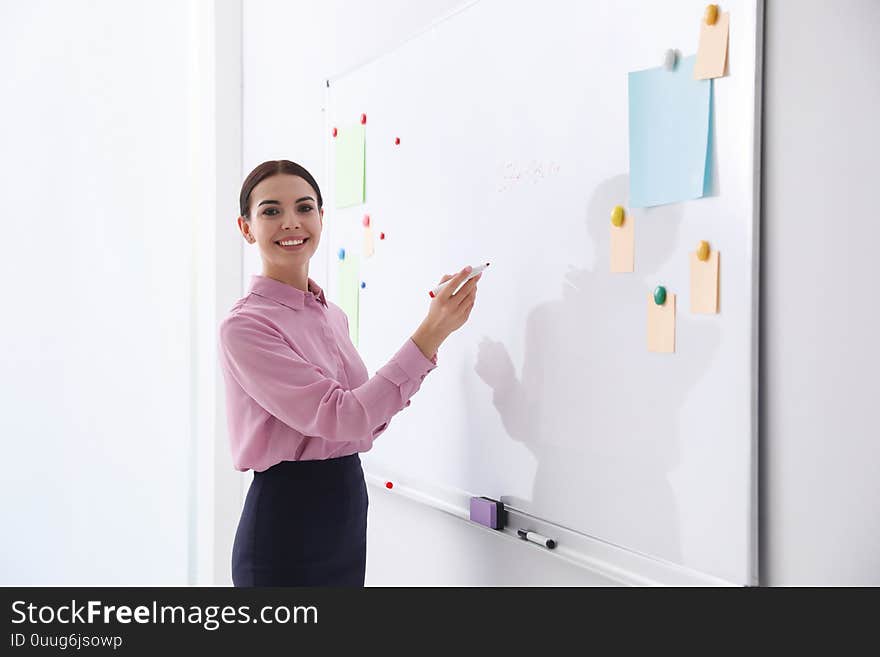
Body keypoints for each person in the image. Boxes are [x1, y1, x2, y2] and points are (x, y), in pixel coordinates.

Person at [217, 160, 481, 586]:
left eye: (305, 208)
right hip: (286, 523)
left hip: (344, 510)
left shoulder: (331, 316)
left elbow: (363, 422)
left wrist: (433, 336)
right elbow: (345, 416)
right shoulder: (245, 326)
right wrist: (431, 333)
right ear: (246, 228)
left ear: (321, 218)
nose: (291, 222)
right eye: (270, 211)